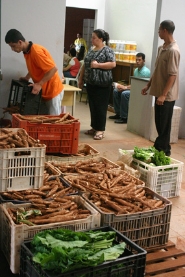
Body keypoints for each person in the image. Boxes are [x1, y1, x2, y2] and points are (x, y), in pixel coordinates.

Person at [141, 20, 180, 156]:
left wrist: (164, 95)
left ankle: (162, 150)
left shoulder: (173, 51)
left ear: (165, 30)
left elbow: (172, 75)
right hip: (159, 92)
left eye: (159, 29)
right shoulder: (162, 48)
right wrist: (148, 85)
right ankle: (162, 149)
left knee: (164, 125)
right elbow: (157, 70)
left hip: (167, 96)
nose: (158, 32)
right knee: (159, 123)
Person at [5, 29, 64, 115]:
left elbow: (53, 69)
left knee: (53, 122)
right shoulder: (27, 52)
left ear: (20, 42)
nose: (12, 49)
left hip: (53, 91)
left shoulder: (36, 51)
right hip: (45, 92)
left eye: (13, 46)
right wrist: (27, 77)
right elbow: (35, 67)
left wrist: (39, 84)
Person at [79, 29, 116, 140]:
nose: (92, 39)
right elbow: (85, 65)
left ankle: (100, 129)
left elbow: (113, 64)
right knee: (93, 106)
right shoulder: (91, 50)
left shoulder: (107, 50)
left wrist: (98, 65)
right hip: (91, 83)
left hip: (102, 84)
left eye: (94, 37)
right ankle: (94, 127)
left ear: (101, 39)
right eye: (92, 37)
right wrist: (81, 79)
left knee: (100, 107)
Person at [109, 52, 150, 123]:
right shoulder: (136, 70)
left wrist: (125, 88)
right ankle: (118, 113)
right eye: (136, 60)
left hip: (140, 90)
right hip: (134, 88)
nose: (137, 61)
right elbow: (133, 83)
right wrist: (124, 87)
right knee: (116, 91)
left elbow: (139, 86)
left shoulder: (145, 72)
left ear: (144, 60)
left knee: (125, 94)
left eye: (139, 60)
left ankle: (124, 117)